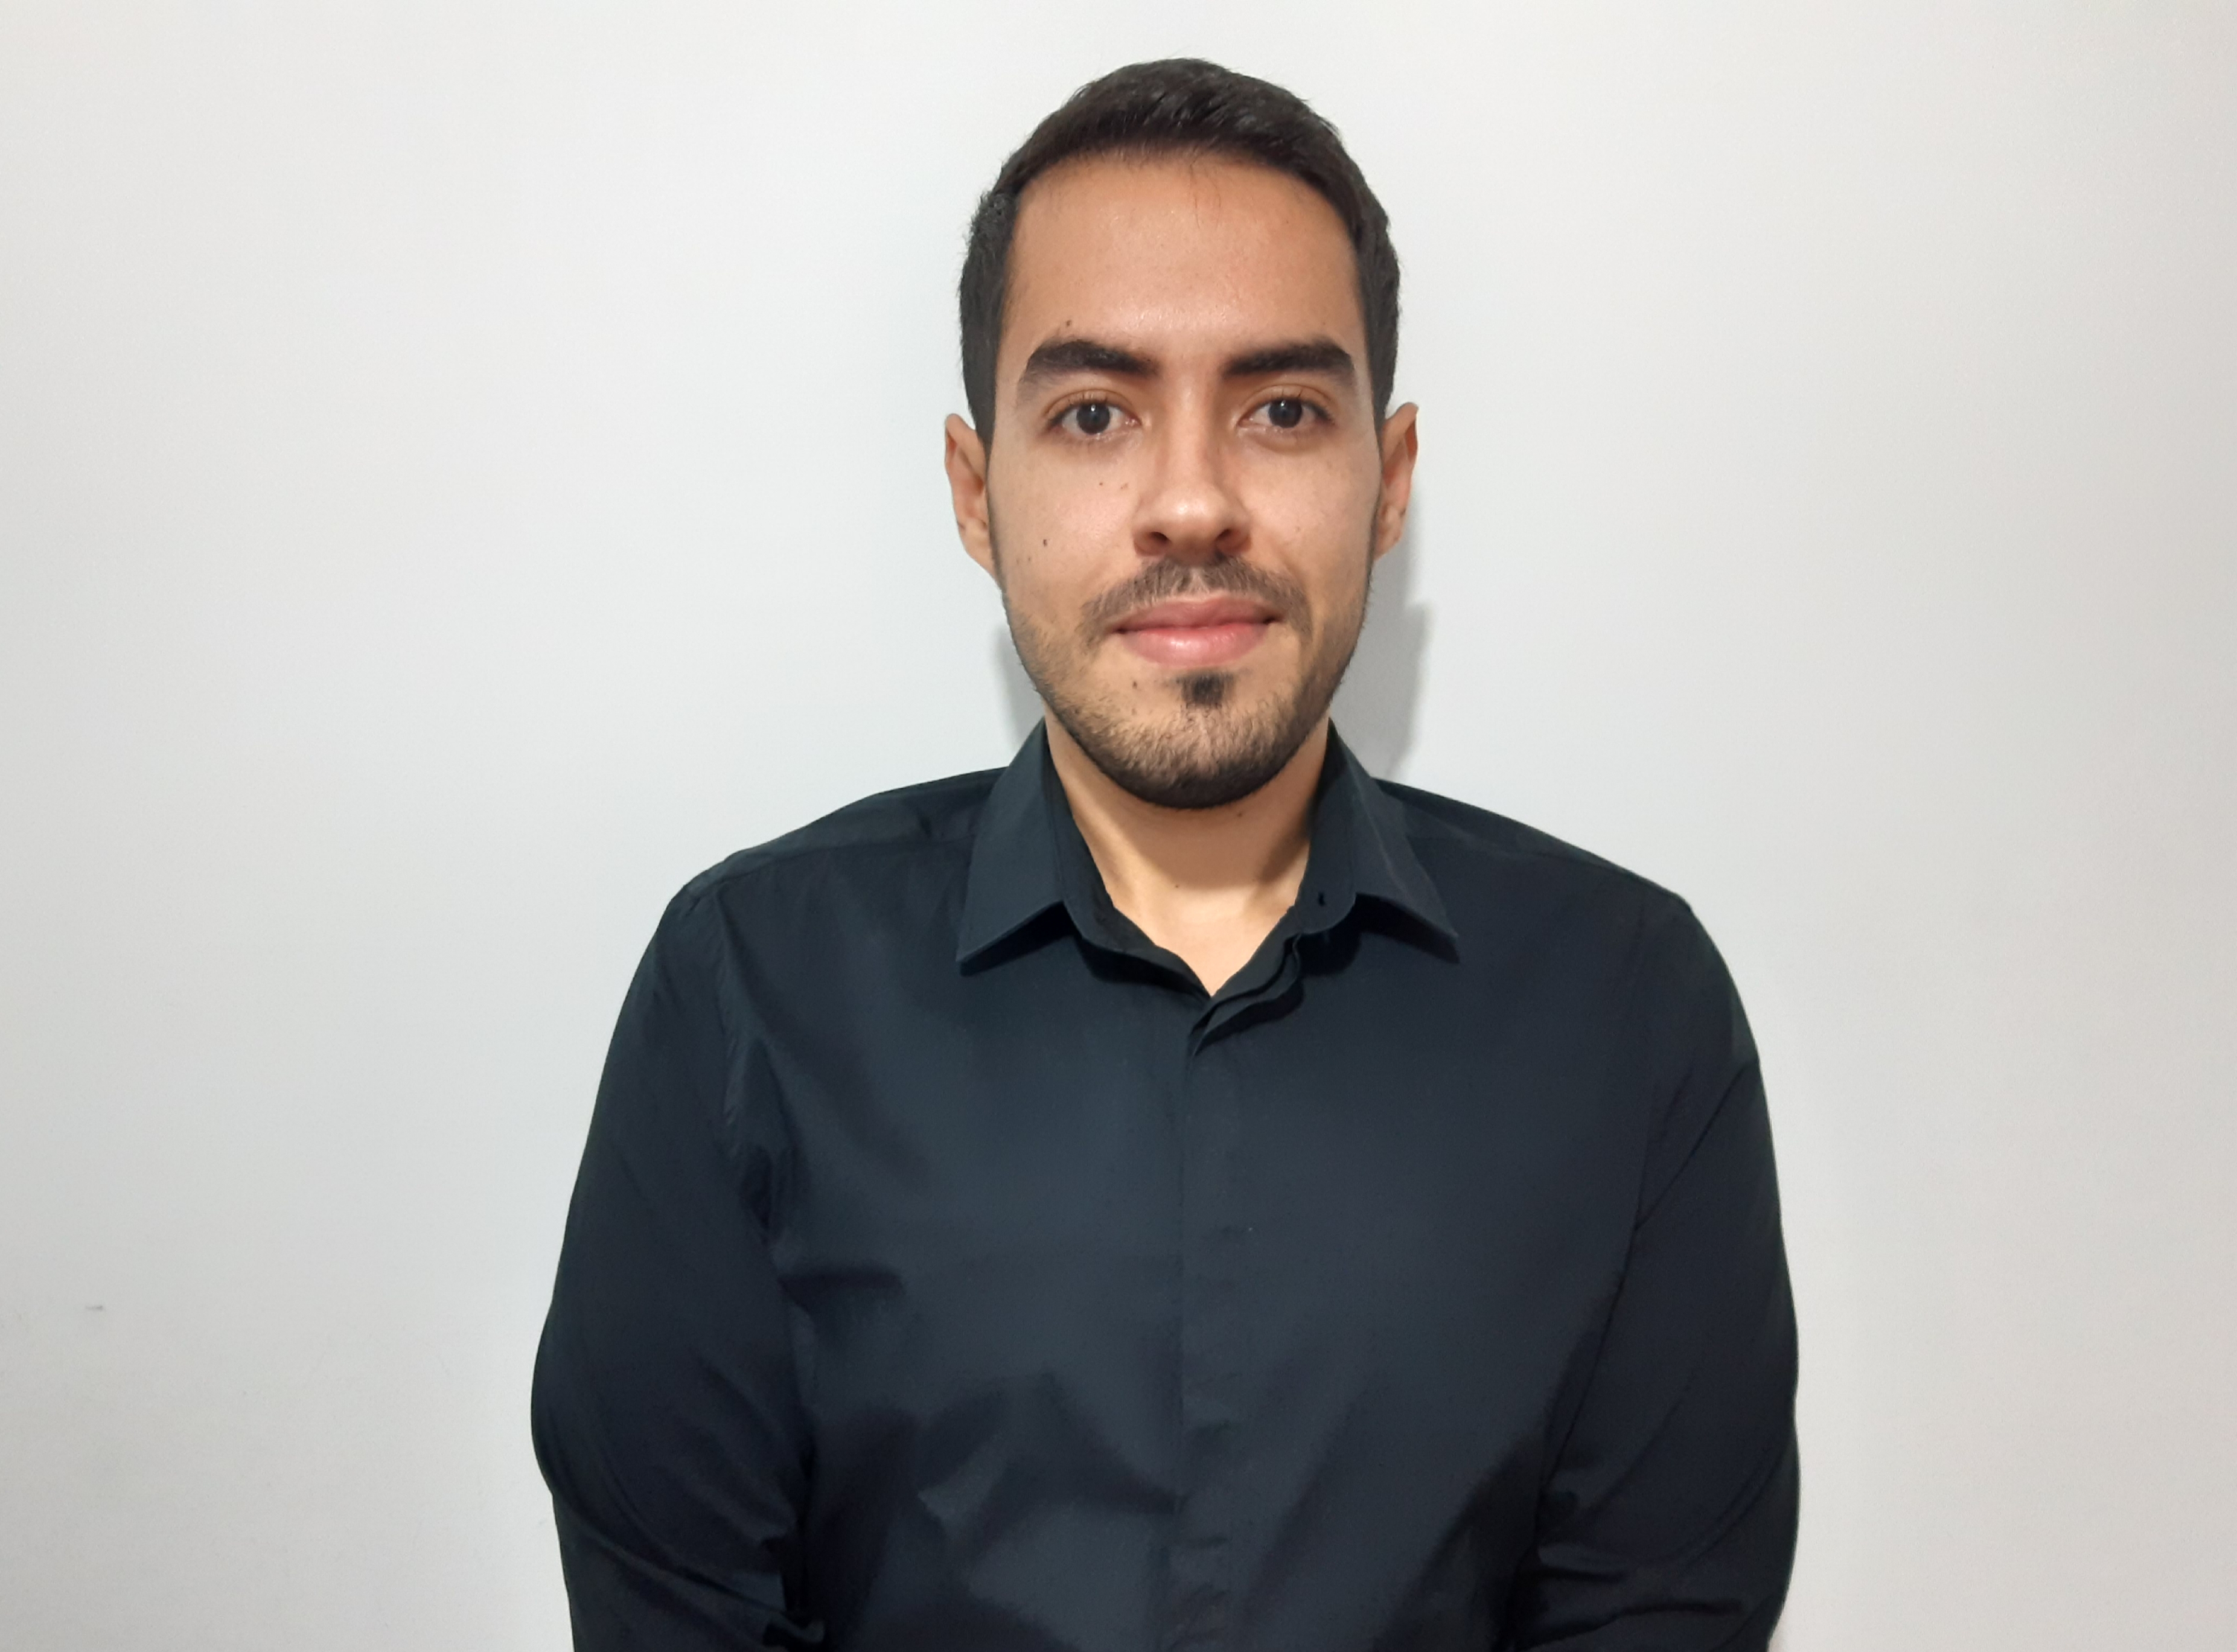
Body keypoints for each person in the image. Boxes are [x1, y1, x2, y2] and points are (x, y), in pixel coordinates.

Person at [530, 57, 1798, 1652]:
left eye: (1282, 410)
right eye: (1094, 414)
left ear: (1389, 480)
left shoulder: (1629, 1012)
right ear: (976, 492)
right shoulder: (747, 995)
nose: (1190, 501)